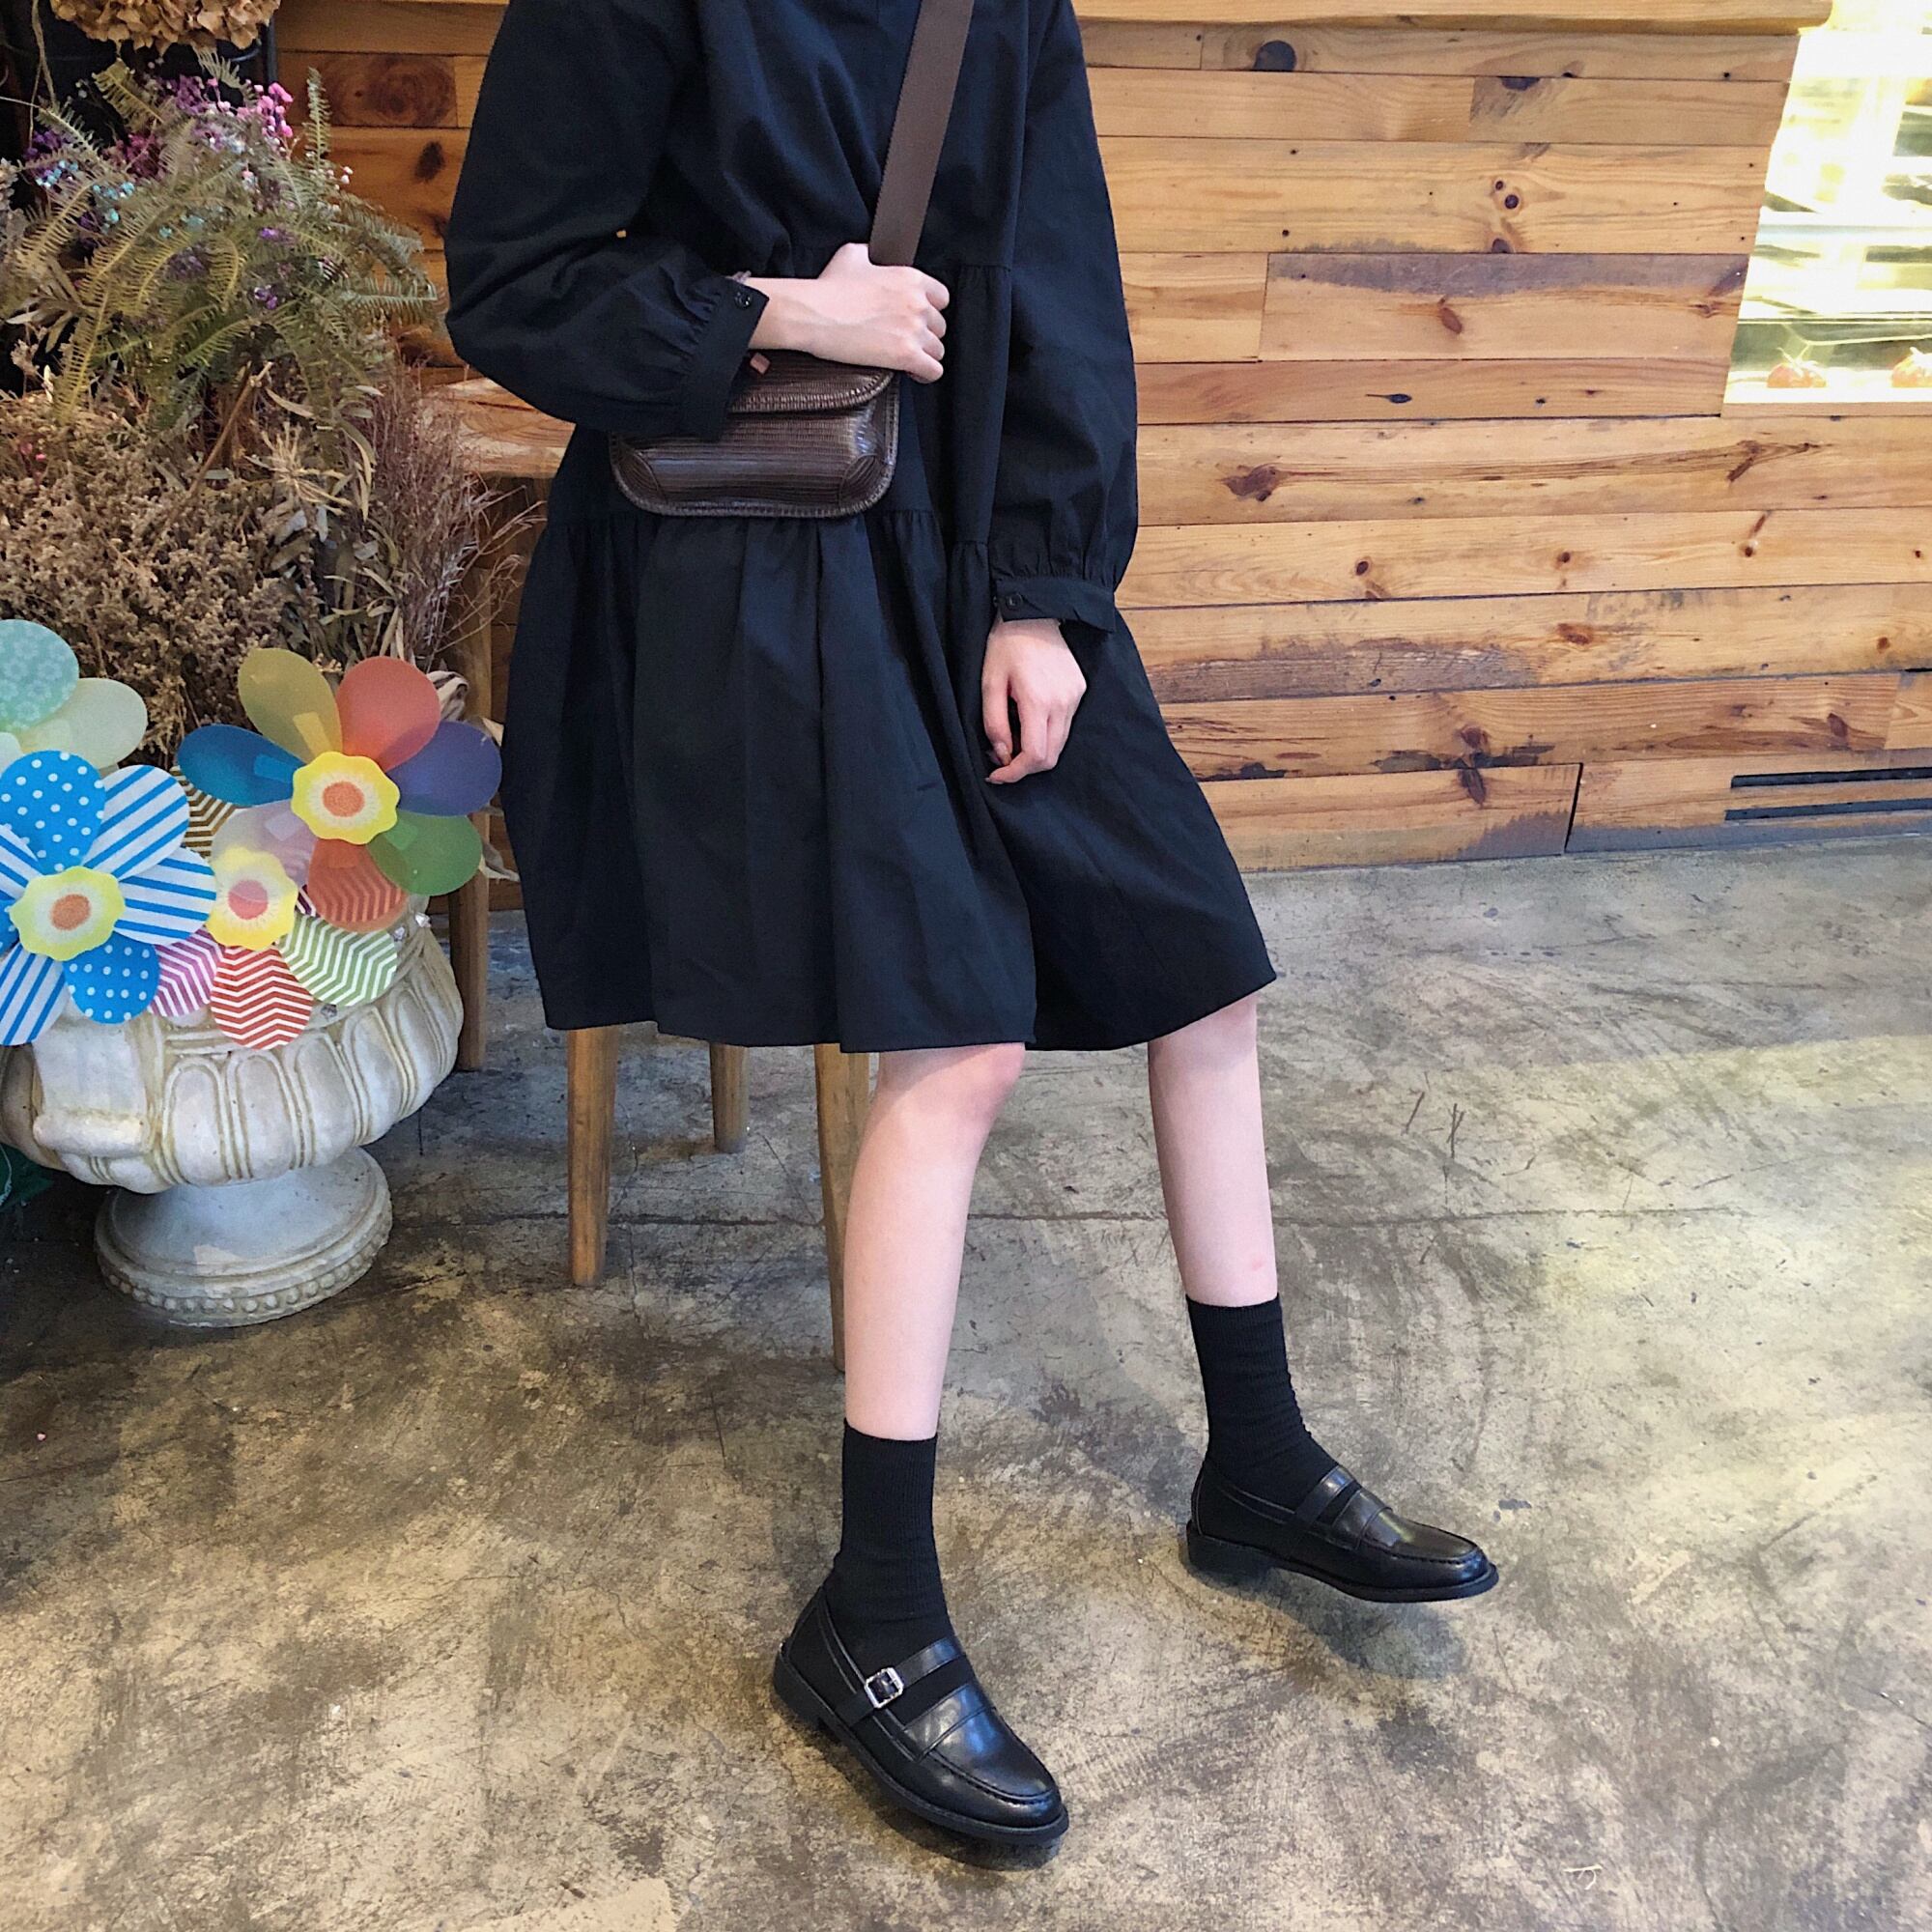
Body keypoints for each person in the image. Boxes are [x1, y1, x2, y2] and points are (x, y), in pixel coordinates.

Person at [445, 0, 1495, 1851]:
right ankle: (874, 1615)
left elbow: (1054, 274)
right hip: (759, 548)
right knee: (962, 1043)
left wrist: (1045, 593)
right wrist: (781, 312)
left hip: (978, 541)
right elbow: (515, 288)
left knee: (1198, 968)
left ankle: (1256, 1460)